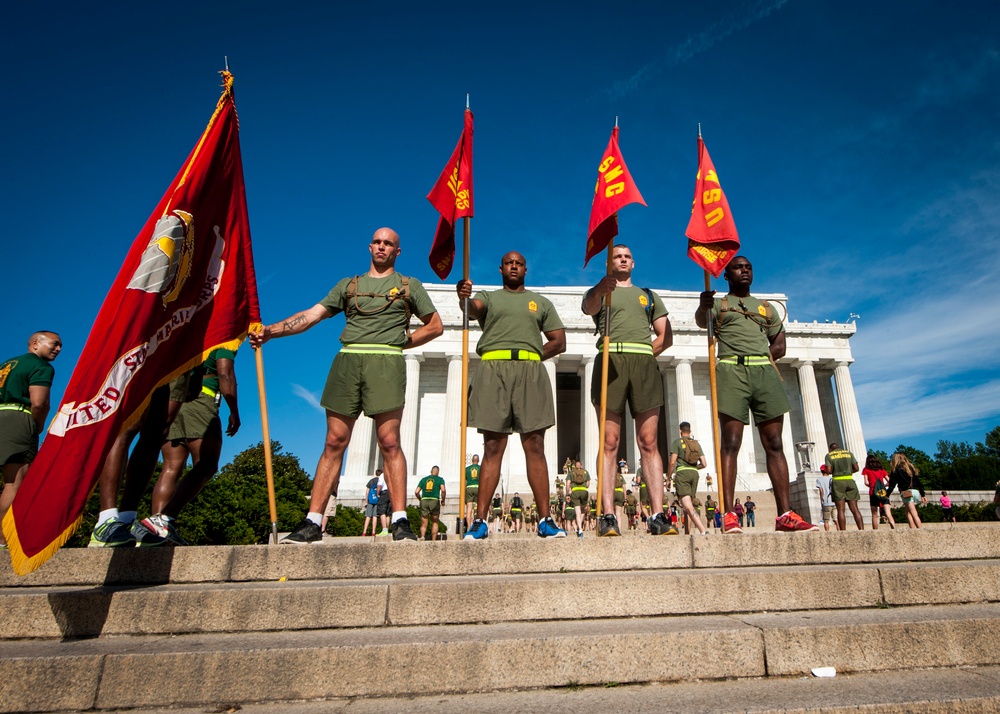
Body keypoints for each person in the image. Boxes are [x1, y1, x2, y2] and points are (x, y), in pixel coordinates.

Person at [250, 228, 443, 543]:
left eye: (389, 244)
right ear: (370, 247)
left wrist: (399, 342)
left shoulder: (409, 286)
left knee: (390, 441)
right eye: (378, 242)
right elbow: (312, 315)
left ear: (398, 251)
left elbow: (434, 325)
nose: (382, 247)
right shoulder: (349, 285)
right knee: (334, 441)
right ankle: (313, 521)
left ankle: (399, 520)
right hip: (348, 360)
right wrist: (271, 330)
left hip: (386, 363)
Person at [695, 256, 817, 534]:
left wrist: (760, 357)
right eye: (738, 267)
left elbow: (780, 344)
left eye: (748, 267)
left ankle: (785, 514)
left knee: (774, 443)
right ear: (726, 275)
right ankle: (728, 515)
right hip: (731, 371)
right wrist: (703, 307)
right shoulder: (717, 304)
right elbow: (703, 323)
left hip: (764, 373)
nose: (744, 270)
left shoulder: (766, 308)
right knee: (731, 442)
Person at [457, 251, 567, 541]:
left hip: (530, 372)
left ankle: (545, 520)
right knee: (493, 447)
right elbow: (473, 309)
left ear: (526, 269)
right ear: (501, 268)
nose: (514, 266)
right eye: (509, 263)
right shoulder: (489, 296)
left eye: (519, 263)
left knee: (536, 445)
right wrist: (464, 297)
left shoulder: (540, 302)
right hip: (494, 368)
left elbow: (559, 341)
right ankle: (479, 521)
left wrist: (530, 355)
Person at [583, 245, 674, 537]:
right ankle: (608, 515)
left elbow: (665, 335)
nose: (622, 259)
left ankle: (658, 514)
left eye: (626, 256)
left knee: (649, 441)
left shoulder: (648, 295)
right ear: (609, 263)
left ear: (633, 263)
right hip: (611, 360)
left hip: (643, 361)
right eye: (616, 256)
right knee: (609, 441)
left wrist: (646, 354)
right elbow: (589, 307)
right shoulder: (600, 291)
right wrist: (601, 286)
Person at [132, 348, 241, 546]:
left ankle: (154, 531)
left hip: (172, 401)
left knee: (171, 466)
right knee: (206, 464)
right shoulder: (224, 340)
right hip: (200, 401)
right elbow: (225, 373)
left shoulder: (194, 336)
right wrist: (234, 410)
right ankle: (165, 518)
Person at [0, 331, 62, 547]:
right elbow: (39, 403)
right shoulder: (41, 367)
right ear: (36, 343)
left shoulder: (7, 364)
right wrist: (38, 425)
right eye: (55, 344)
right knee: (14, 482)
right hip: (17, 418)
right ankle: (2, 541)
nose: (58, 349)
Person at [666, 422, 707, 535]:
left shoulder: (677, 443)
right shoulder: (696, 444)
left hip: (682, 473)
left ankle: (703, 530)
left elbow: (672, 462)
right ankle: (687, 533)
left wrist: (668, 478)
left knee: (688, 506)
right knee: (688, 505)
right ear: (690, 431)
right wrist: (693, 467)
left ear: (680, 431)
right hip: (694, 473)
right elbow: (704, 463)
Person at [824, 442, 864, 531]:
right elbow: (857, 468)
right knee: (855, 509)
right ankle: (861, 529)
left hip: (837, 482)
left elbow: (829, 471)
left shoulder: (829, 455)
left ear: (831, 449)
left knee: (841, 510)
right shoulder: (848, 453)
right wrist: (848, 471)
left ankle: (843, 531)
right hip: (850, 480)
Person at [885, 452, 926, 529]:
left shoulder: (896, 470)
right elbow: (919, 482)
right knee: (908, 512)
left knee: (913, 513)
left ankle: (920, 530)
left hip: (906, 493)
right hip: (915, 491)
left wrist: (887, 495)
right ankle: (912, 529)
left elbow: (892, 485)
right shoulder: (911, 468)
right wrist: (923, 494)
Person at [862, 455, 894, 530]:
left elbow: (866, 482)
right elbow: (889, 481)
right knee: (888, 513)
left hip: (873, 492)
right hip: (883, 492)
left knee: (874, 514)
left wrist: (872, 486)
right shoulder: (881, 470)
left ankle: (875, 530)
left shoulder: (866, 469)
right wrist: (884, 485)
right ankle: (893, 527)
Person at [414, 466, 445, 541]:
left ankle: (422, 537)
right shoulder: (440, 479)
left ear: (431, 471)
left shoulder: (424, 479)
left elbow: (416, 491)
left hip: (424, 500)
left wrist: (420, 499)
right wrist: (443, 500)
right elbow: (443, 490)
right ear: (438, 472)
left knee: (424, 521)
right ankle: (433, 540)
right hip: (434, 500)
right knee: (435, 521)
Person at [567, 460, 591, 537]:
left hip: (575, 492)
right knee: (583, 510)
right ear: (581, 465)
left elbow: (567, 484)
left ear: (574, 466)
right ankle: (579, 523)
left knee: (577, 511)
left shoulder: (571, 472)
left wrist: (568, 494)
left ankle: (580, 529)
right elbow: (587, 485)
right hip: (584, 492)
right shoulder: (585, 472)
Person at [361, 470, 381, 537]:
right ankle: (373, 532)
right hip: (377, 500)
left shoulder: (371, 481)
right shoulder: (381, 481)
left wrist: (366, 501)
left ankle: (364, 532)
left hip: (370, 500)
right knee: (375, 516)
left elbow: (367, 492)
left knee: (368, 516)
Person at [464, 454, 481, 528]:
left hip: (469, 488)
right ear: (478, 460)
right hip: (478, 487)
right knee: (479, 507)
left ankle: (469, 527)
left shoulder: (467, 469)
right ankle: (478, 526)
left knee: (469, 508)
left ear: (472, 460)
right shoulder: (481, 468)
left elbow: (464, 480)